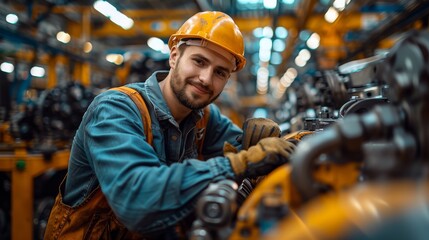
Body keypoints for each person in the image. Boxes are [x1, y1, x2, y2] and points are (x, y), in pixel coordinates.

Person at [44, 11, 295, 239]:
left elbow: (252, 150)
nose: (206, 79)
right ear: (174, 56)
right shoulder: (115, 109)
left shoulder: (205, 117)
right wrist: (241, 163)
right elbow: (137, 199)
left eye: (220, 73)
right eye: (199, 61)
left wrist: (270, 136)